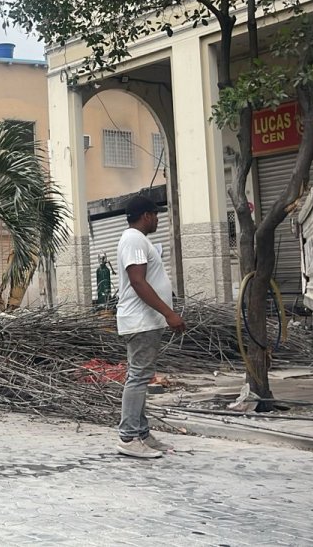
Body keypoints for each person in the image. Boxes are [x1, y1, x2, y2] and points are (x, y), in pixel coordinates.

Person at [114, 195, 186, 459]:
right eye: (155, 215)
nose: (157, 219)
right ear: (146, 215)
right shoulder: (133, 238)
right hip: (141, 322)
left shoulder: (137, 240)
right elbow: (138, 281)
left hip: (146, 322)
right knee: (138, 377)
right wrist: (169, 314)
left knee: (141, 377)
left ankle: (142, 433)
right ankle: (129, 437)